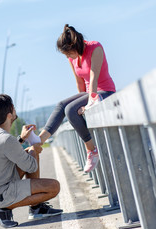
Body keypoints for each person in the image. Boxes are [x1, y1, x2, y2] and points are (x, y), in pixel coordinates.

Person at [0, 94, 63, 228]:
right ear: (10, 114)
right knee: (54, 187)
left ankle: (36, 208)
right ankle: (3, 208)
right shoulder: (5, 139)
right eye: (13, 108)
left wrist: (21, 139)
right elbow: (32, 167)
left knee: (27, 153)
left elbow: (6, 150)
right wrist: (34, 149)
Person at [39, 24, 116, 173]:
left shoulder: (95, 48)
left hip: (105, 92)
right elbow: (80, 83)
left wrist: (89, 103)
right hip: (89, 93)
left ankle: (91, 151)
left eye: (68, 54)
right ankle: (40, 139)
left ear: (74, 46)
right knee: (62, 105)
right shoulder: (72, 59)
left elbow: (93, 77)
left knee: (71, 110)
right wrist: (81, 100)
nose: (68, 57)